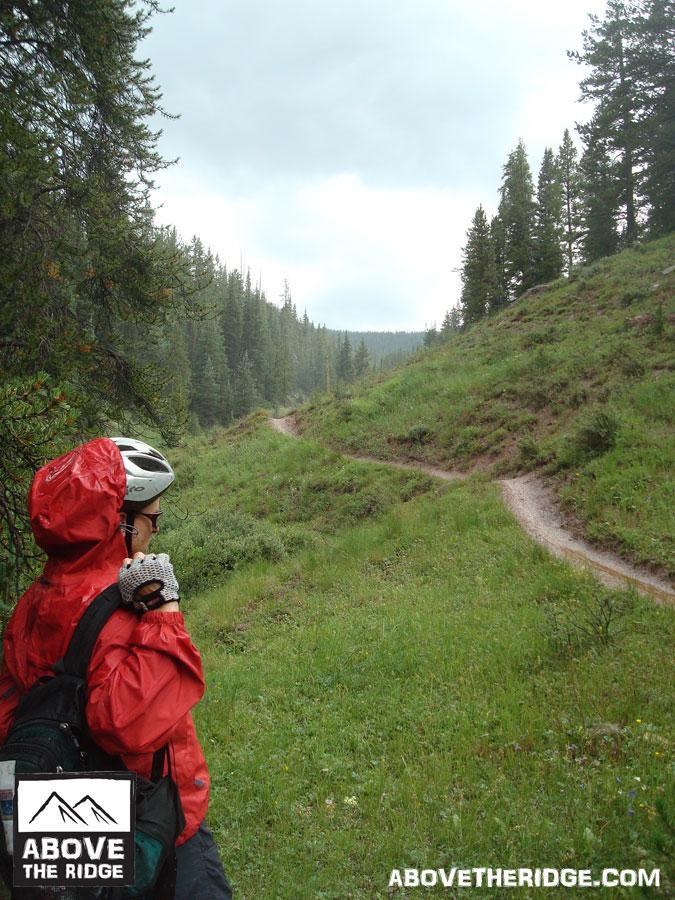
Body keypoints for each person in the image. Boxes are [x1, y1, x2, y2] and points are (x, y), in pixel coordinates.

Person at [0, 436, 231, 899]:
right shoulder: (125, 604)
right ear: (118, 521)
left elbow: (8, 715)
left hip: (64, 821)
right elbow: (128, 722)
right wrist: (165, 613)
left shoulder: (32, 602)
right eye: (153, 518)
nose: (156, 531)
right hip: (149, 819)